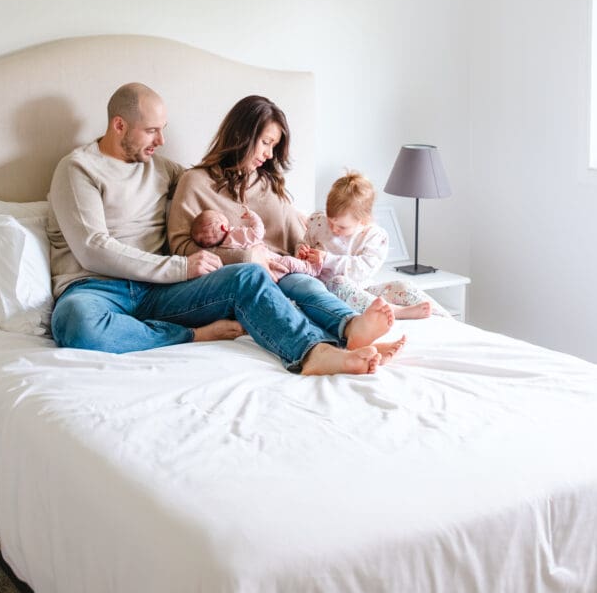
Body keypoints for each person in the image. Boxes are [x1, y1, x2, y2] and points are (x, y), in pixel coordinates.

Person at [48, 83, 400, 376]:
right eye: (152, 131)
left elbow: (214, 186)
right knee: (75, 323)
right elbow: (93, 248)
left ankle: (312, 352)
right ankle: (193, 336)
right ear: (119, 125)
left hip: (159, 292)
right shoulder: (78, 169)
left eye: (163, 130)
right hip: (96, 289)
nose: (162, 140)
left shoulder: (163, 169)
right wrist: (182, 268)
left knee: (248, 277)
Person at [167, 94, 406, 365]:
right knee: (275, 288)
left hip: (283, 270)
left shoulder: (268, 184)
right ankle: (327, 351)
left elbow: (296, 237)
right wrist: (245, 258)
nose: (269, 154)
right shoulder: (195, 182)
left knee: (306, 285)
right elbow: (180, 247)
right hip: (238, 280)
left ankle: (353, 328)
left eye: (274, 146)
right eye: (266, 143)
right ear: (241, 135)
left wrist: (305, 251)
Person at [298, 171, 439, 320]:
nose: (334, 229)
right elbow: (305, 242)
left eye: (342, 227)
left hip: (364, 288)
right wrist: (301, 249)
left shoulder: (375, 236)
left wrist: (328, 259)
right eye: (331, 222)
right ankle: (395, 311)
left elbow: (362, 269)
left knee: (403, 286)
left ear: (363, 221)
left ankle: (440, 314)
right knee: (338, 282)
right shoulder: (319, 223)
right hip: (330, 290)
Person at [190, 206, 318, 282]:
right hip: (271, 263)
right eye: (221, 216)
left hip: (262, 272)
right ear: (224, 227)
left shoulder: (221, 246)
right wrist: (253, 217)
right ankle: (311, 268)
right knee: (290, 262)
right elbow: (258, 233)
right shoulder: (236, 235)